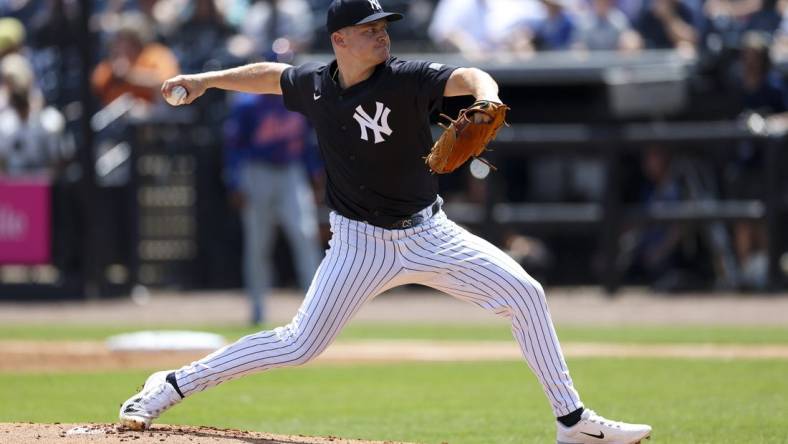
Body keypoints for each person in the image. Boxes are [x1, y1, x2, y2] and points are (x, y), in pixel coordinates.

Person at [118, 1, 652, 442]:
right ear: (340, 40)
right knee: (301, 344)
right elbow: (268, 75)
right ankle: (172, 384)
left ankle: (572, 422)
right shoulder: (318, 86)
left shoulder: (407, 79)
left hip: (430, 232)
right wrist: (205, 81)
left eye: (384, 27)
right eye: (369, 29)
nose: (382, 36)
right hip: (359, 244)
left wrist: (487, 95)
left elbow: (467, 75)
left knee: (527, 294)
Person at [223, 92, 323, 324]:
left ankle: (317, 310)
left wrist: (314, 172)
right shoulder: (247, 103)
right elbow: (234, 144)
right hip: (257, 171)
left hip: (291, 171)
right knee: (258, 243)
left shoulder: (299, 99)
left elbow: (308, 140)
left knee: (305, 234)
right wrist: (235, 181)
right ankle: (257, 310)